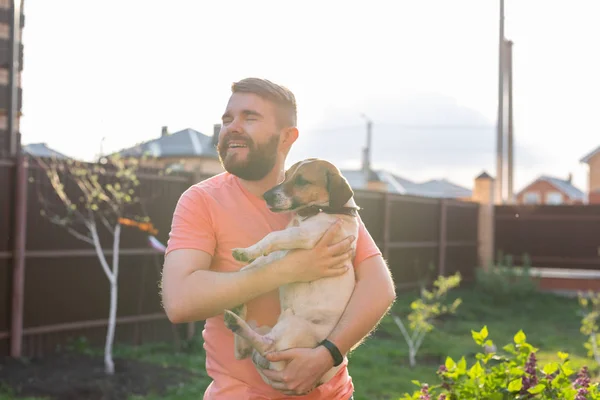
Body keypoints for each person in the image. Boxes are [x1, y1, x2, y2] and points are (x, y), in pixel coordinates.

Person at [161, 77, 396, 400]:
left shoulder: (322, 199)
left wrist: (327, 353)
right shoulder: (201, 201)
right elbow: (180, 300)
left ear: (287, 137)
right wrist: (290, 269)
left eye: (250, 117)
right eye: (227, 119)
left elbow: (379, 287)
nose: (232, 127)